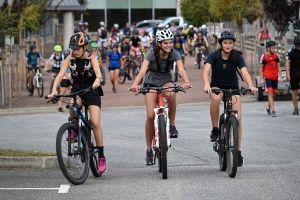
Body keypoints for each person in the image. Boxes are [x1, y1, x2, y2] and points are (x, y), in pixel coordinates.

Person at [130, 30, 191, 165]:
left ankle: (172, 125)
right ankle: (148, 150)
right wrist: (135, 84)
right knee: (151, 116)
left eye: (170, 42)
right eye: (165, 43)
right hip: (150, 83)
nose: (169, 45)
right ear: (159, 44)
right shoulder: (151, 53)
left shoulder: (174, 53)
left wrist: (186, 81)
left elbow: (181, 69)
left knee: (171, 93)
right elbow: (142, 70)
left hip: (166, 81)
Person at [47, 32, 106, 173]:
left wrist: (98, 81)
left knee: (96, 122)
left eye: (78, 48)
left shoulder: (92, 57)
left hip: (92, 90)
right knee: (73, 104)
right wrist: (54, 90)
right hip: (78, 89)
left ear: (85, 47)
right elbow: (60, 74)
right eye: (73, 49)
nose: (75, 51)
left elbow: (98, 72)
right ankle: (74, 128)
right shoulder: (70, 58)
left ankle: (102, 156)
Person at [202, 30, 258, 167]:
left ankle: (237, 151)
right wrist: (207, 85)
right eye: (225, 43)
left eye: (230, 43)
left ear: (233, 44)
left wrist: (250, 85)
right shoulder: (214, 55)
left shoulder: (237, 56)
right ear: (221, 44)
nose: (228, 45)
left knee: (237, 119)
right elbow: (206, 71)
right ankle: (215, 129)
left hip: (233, 88)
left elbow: (244, 72)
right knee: (215, 99)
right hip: (216, 86)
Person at [259, 40, 283, 117]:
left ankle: (268, 108)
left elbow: (279, 67)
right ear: (268, 48)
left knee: (274, 94)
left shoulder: (277, 56)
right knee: (270, 92)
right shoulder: (264, 56)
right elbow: (261, 68)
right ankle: (273, 111)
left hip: (275, 77)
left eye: (274, 48)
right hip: (267, 77)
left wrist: (280, 77)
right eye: (272, 48)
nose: (274, 50)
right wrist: (262, 79)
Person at [44, 45, 65, 112]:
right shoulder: (53, 55)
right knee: (52, 77)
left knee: (59, 79)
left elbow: (64, 62)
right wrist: (46, 67)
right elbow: (49, 61)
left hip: (60, 68)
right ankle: (52, 85)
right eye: (56, 51)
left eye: (58, 51)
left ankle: (57, 87)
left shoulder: (62, 55)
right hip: (54, 68)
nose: (58, 52)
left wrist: (63, 65)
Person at [286, 35, 300, 115]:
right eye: (297, 46)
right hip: (293, 73)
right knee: (294, 90)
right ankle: (295, 108)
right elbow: (287, 62)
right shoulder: (291, 51)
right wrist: (288, 74)